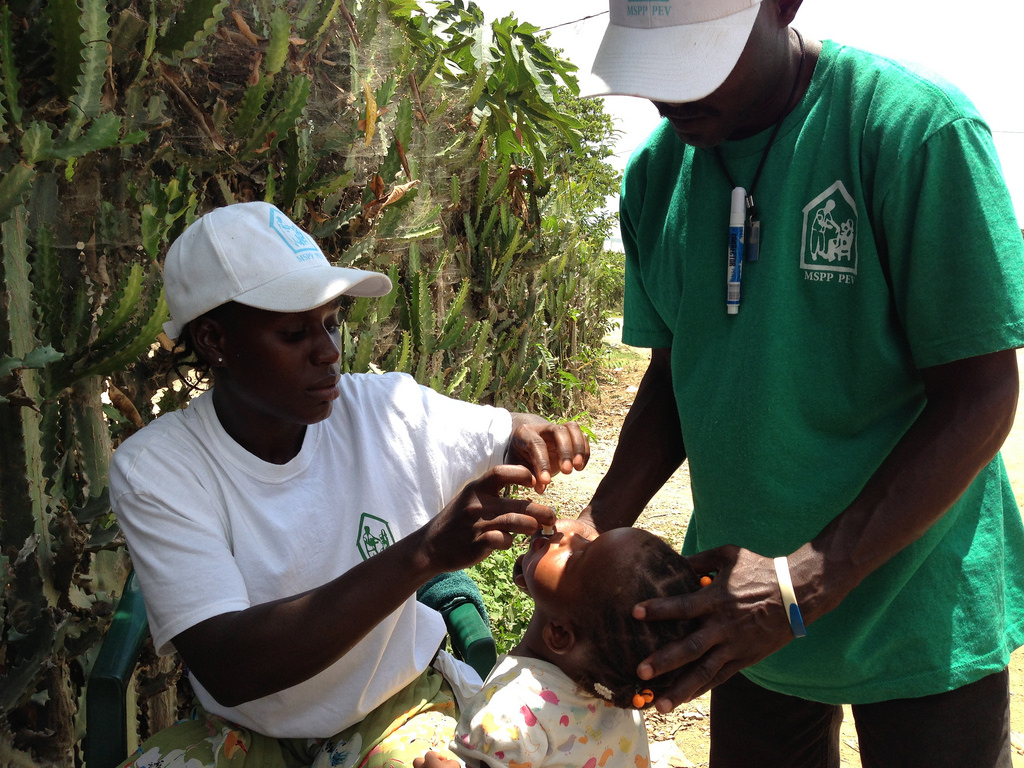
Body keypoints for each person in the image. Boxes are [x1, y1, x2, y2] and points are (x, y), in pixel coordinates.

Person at [576, 0, 1024, 766]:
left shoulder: (911, 130)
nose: (672, 95)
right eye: (656, 69)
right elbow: (676, 374)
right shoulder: (657, 174)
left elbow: (981, 393)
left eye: (697, 59)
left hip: (916, 606)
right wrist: (595, 524)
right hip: (739, 613)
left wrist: (807, 579)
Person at [108, 201, 590, 767]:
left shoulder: (385, 410)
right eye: (294, 332)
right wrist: (424, 553)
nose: (329, 352)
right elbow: (229, 665)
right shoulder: (161, 468)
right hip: (243, 731)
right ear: (214, 340)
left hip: (394, 708)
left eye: (332, 323)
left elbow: (506, 431)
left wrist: (538, 436)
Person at [413, 522, 702, 768]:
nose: (568, 536)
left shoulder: (510, 717)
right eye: (588, 539)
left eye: (577, 556)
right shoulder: (620, 704)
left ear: (560, 635)